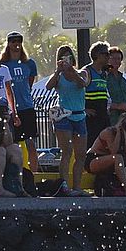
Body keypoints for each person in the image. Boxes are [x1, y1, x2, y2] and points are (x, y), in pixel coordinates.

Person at [47, 45, 89, 196]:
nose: (66, 59)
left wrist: (71, 71)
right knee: (67, 152)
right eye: (62, 57)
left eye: (68, 56)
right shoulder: (58, 76)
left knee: (81, 154)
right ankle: (64, 186)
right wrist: (59, 71)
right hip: (64, 116)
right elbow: (48, 86)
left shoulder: (82, 72)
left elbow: (82, 83)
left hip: (80, 116)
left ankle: (77, 187)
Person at [85, 111, 126, 195]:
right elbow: (114, 151)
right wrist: (119, 132)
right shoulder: (108, 132)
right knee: (118, 157)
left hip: (111, 162)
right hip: (94, 160)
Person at [0, 32, 37, 167]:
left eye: (19, 41)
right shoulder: (3, 65)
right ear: (8, 44)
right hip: (9, 110)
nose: (16, 44)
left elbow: (30, 82)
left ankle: (33, 175)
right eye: (13, 41)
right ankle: (13, 175)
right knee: (11, 145)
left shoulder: (29, 63)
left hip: (26, 107)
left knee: (31, 144)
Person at [0, 99, 25, 196]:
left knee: (15, 149)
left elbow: (8, 143)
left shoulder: (6, 122)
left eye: (2, 110)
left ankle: (19, 187)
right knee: (0, 151)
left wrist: (6, 123)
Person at [82, 41, 111, 147]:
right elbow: (79, 92)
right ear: (98, 55)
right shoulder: (87, 72)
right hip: (91, 118)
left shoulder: (104, 73)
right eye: (106, 54)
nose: (109, 57)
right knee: (91, 145)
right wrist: (84, 109)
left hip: (103, 116)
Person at [105, 47, 126, 128]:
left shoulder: (123, 80)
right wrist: (117, 106)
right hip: (110, 120)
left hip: (125, 121)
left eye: (118, 59)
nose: (116, 61)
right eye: (113, 58)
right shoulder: (104, 77)